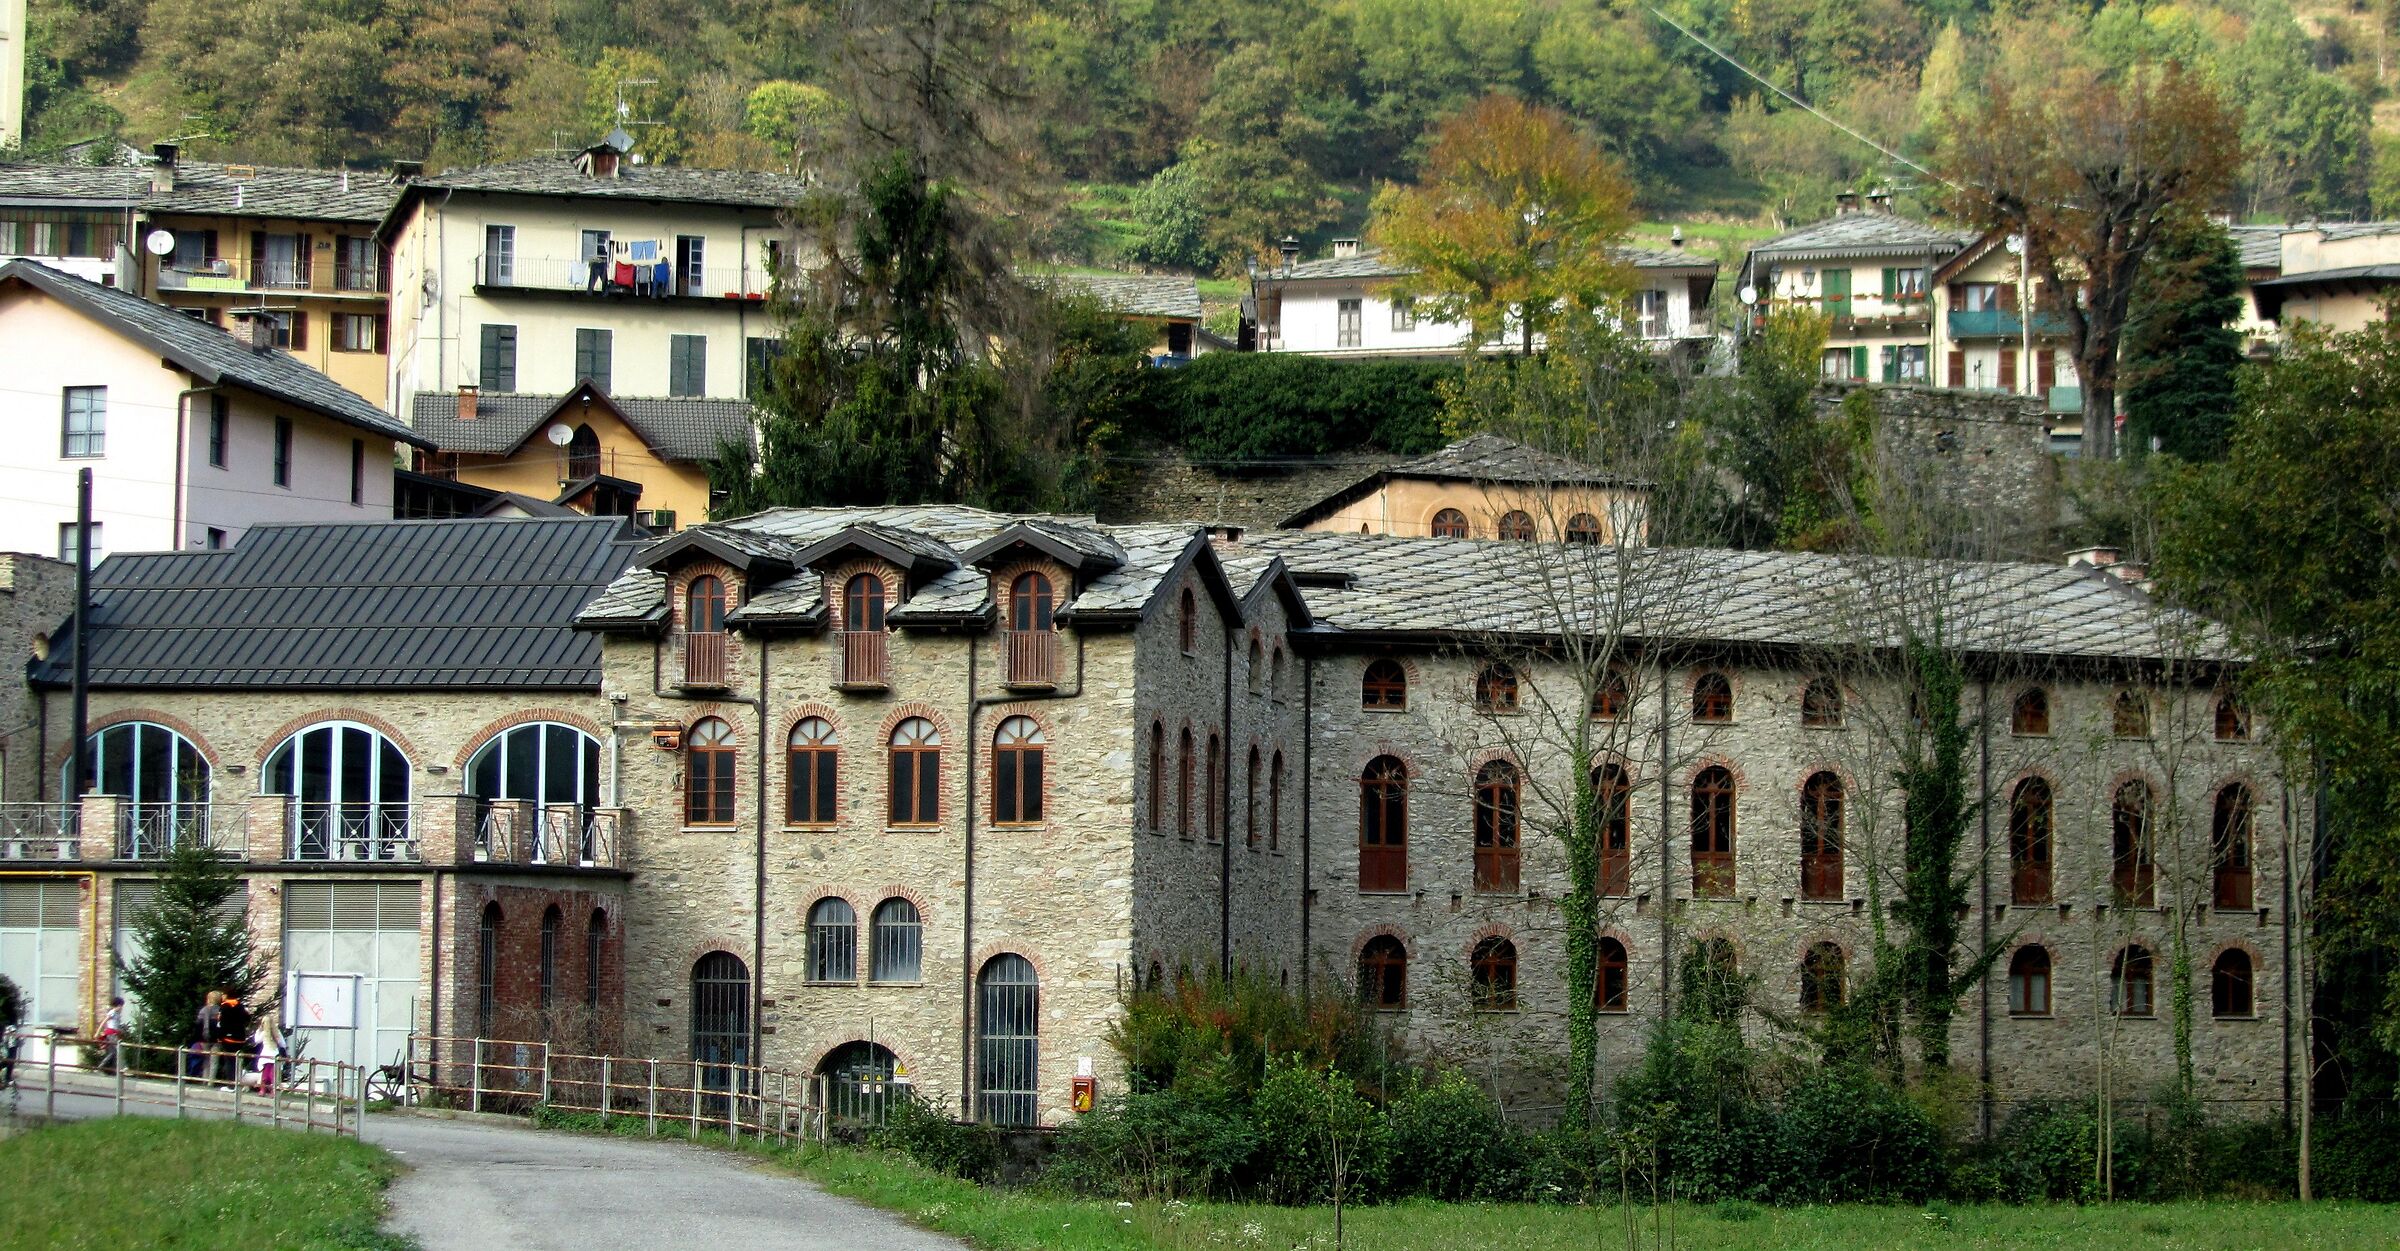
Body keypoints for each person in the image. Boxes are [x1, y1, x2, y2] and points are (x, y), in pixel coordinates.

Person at [215, 994, 252, 1088]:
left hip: (228, 1039)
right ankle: (238, 1082)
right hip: (240, 1038)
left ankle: (231, 1085)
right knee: (237, 1060)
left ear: (226, 996)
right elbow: (247, 1018)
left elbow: (221, 1023)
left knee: (229, 1061)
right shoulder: (240, 1005)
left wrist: (220, 1037)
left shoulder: (224, 1007)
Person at [190, 990, 223, 1079]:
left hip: (204, 1039)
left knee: (205, 1061)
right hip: (217, 1040)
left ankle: (204, 1080)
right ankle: (211, 1082)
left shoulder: (203, 1010)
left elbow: (198, 1025)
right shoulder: (221, 1010)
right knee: (214, 1062)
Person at [99, 997, 124, 1074]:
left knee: (112, 1053)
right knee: (119, 1049)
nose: (122, 1008)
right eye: (121, 1006)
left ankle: (103, 1067)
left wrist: (120, 1031)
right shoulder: (112, 1012)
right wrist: (98, 1032)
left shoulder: (117, 1014)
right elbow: (104, 1022)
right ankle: (123, 1068)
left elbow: (116, 1025)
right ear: (118, 1005)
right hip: (111, 1033)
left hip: (114, 1033)